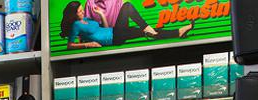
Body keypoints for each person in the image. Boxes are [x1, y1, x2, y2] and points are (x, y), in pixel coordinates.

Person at [60, 0, 192, 49]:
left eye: (82, 9)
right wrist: (88, 44)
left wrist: (101, 14)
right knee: (127, 6)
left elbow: (104, 28)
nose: (83, 11)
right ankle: (148, 28)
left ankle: (179, 32)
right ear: (73, 14)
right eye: (80, 11)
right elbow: (70, 45)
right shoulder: (76, 26)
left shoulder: (87, 20)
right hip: (114, 38)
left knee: (148, 33)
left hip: (114, 32)